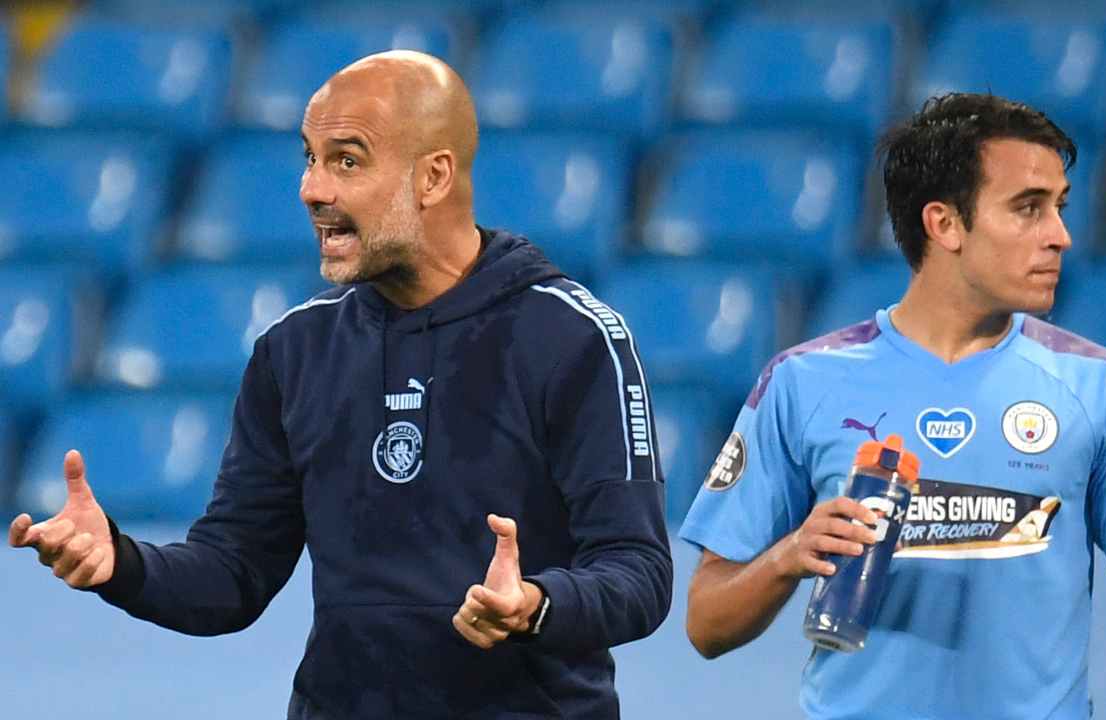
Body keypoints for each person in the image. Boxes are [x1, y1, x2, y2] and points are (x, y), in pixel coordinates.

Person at [8, 51, 672, 719]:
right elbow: (234, 572)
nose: (312, 189)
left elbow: (638, 573)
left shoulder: (575, 337)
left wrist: (537, 603)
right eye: (310, 158)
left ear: (434, 177)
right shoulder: (293, 350)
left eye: (346, 161)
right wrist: (120, 564)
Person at [680, 93, 1106, 719]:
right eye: (1029, 209)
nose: (1061, 236)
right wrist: (787, 556)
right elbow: (706, 623)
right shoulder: (801, 382)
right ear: (945, 224)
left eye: (1059, 207)